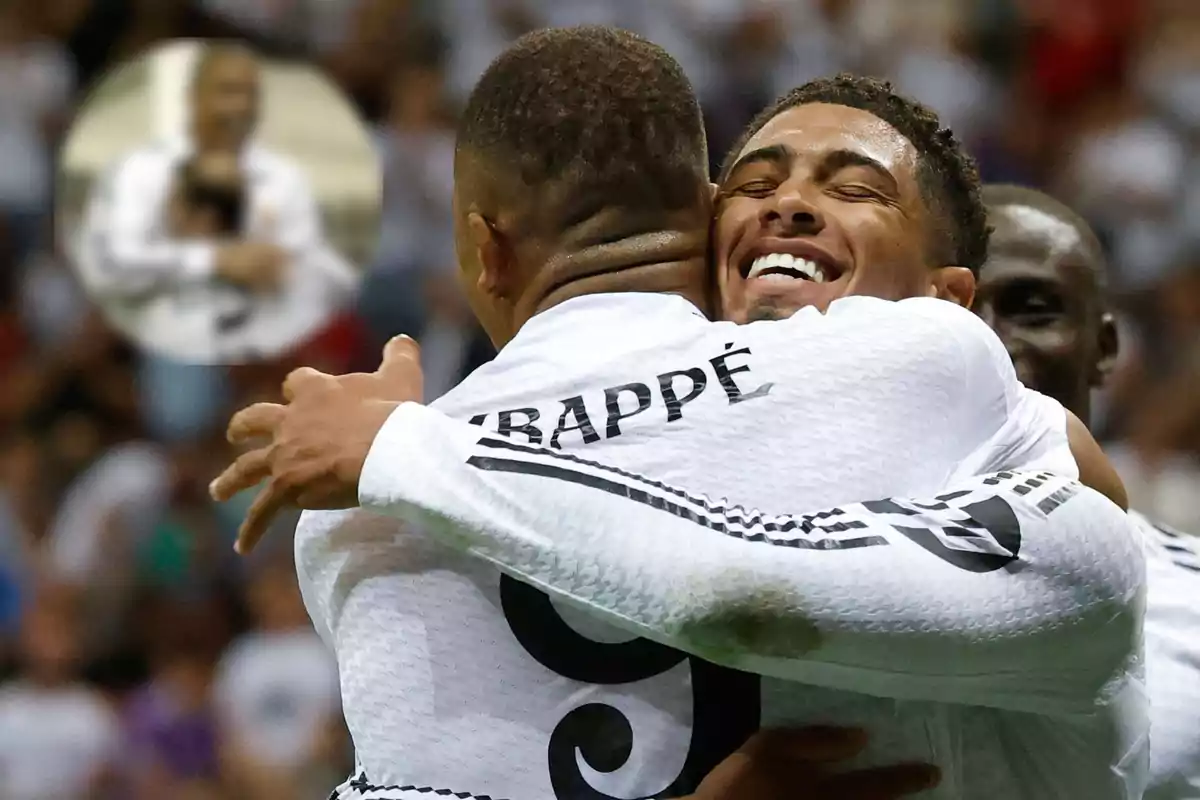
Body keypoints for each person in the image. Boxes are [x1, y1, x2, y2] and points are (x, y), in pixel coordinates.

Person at [213, 28, 1141, 800]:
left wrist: (411, 454)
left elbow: (740, 588)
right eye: (757, 183)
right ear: (702, 218)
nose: (790, 207)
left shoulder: (363, 513)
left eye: (854, 188)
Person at [977, 183, 1200, 800]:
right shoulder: (782, 571)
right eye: (954, 309)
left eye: (1032, 308)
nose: (988, 342)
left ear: (1104, 347)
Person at [73, 40, 359, 364]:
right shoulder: (143, 169)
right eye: (227, 91)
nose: (239, 106)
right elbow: (120, 261)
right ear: (194, 98)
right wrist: (216, 260)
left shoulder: (284, 175)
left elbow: (300, 258)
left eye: (249, 94)